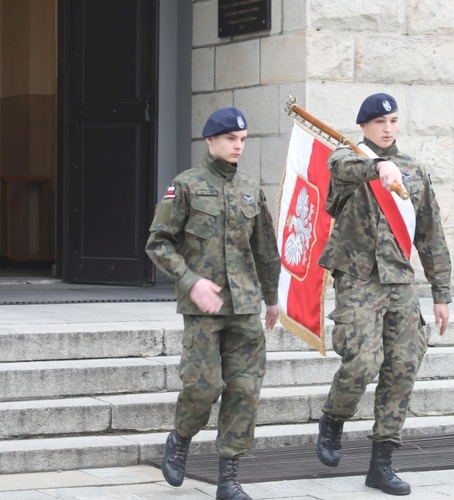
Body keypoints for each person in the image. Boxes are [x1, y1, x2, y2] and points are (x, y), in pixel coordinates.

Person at [315, 92, 452, 496]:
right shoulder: (347, 159)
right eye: (379, 123)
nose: (388, 129)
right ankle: (333, 419)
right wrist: (378, 165)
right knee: (362, 362)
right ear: (364, 126)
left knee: (404, 365)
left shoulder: (413, 169)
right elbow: (344, 166)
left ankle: (382, 462)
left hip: (400, 282)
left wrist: (441, 292)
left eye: (393, 122)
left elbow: (430, 234)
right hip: (358, 277)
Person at [145, 107, 280, 500]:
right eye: (229, 139)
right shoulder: (185, 186)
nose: (237, 146)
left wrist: (271, 297)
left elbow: (266, 249)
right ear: (210, 141)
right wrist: (190, 281)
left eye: (242, 140)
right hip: (203, 309)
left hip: (245, 308)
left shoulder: (252, 189)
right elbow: (158, 243)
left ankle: (228, 478)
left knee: (244, 390)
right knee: (203, 386)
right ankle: (181, 438)